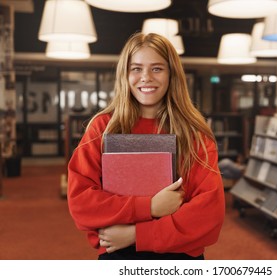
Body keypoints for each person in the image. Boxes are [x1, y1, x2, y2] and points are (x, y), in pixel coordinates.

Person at [67, 32, 225, 260]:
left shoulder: (195, 133)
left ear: (172, 75)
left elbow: (209, 214)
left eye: (157, 69)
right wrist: (150, 207)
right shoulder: (103, 128)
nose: (146, 77)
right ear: (125, 74)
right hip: (118, 252)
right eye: (137, 68)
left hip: (179, 256)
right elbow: (82, 203)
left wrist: (136, 234)